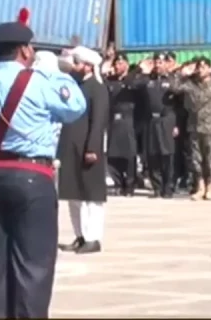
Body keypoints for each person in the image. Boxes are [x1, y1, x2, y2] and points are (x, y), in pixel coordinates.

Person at [0, 8, 86, 319]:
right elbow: (76, 107)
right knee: (32, 266)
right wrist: (53, 71)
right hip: (30, 176)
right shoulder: (42, 82)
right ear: (26, 50)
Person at [58, 46, 110, 255]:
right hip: (71, 148)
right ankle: (80, 235)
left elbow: (98, 122)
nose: (75, 66)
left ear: (88, 66)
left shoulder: (97, 88)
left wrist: (92, 147)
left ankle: (93, 237)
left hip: (88, 148)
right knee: (74, 195)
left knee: (91, 196)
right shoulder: (76, 85)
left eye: (78, 63)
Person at [173, 58, 211, 201]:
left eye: (204, 67)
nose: (200, 70)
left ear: (210, 69)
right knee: (196, 159)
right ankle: (200, 187)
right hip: (194, 126)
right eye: (199, 67)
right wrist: (181, 73)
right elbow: (174, 88)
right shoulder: (191, 85)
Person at [137, 53, 179, 198]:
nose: (158, 65)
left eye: (161, 62)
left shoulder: (173, 79)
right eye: (156, 62)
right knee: (152, 155)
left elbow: (179, 99)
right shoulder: (147, 79)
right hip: (151, 120)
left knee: (167, 155)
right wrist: (140, 71)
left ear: (167, 64)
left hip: (167, 120)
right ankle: (157, 187)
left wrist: (176, 124)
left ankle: (168, 188)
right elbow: (132, 84)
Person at [106, 53, 138, 196]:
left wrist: (133, 72)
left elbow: (132, 84)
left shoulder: (133, 80)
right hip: (113, 120)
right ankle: (118, 183)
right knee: (113, 155)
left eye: (120, 63)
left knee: (129, 154)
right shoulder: (111, 81)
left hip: (129, 119)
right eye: (116, 64)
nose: (117, 66)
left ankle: (130, 185)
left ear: (126, 64)